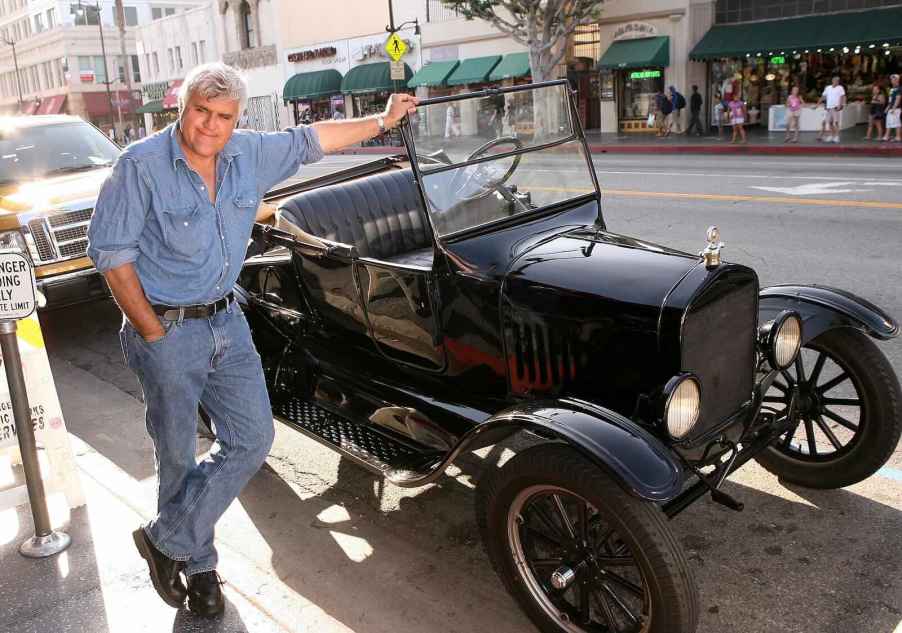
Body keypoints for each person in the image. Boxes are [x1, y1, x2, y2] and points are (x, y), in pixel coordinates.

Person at [85, 62, 417, 618]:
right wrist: (152, 331)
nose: (211, 126)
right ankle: (200, 566)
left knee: (251, 438)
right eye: (201, 111)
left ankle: (165, 538)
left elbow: (314, 139)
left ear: (236, 120)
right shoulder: (138, 167)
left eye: (224, 117)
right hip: (165, 328)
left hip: (227, 323)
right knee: (175, 454)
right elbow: (112, 257)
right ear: (182, 106)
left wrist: (382, 120)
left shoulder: (249, 152)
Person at [817, 75, 845, 144]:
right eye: (835, 80)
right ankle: (831, 135)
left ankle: (837, 137)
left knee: (836, 122)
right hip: (829, 108)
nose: (836, 82)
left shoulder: (840, 88)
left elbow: (842, 97)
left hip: (835, 107)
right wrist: (817, 104)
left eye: (838, 81)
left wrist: (840, 105)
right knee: (829, 122)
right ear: (832, 81)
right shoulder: (828, 88)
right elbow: (823, 97)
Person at [883, 74, 901, 142]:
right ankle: (887, 136)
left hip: (896, 108)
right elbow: (891, 100)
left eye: (893, 79)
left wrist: (894, 108)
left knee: (897, 123)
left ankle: (898, 136)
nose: (892, 81)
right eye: (891, 79)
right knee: (889, 122)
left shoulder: (899, 88)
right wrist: (888, 107)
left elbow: (898, 99)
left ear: (897, 80)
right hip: (891, 108)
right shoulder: (892, 89)